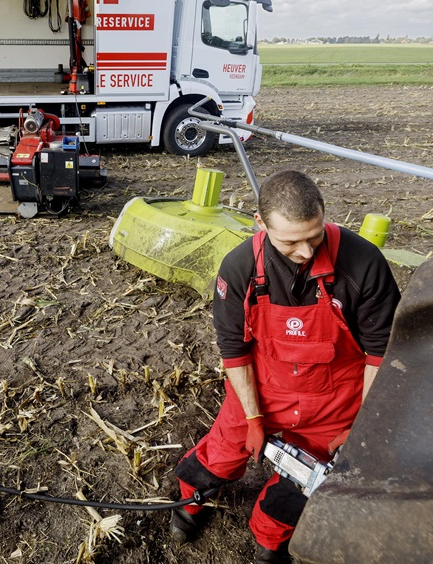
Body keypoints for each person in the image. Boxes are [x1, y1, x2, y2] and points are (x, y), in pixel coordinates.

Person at [170, 170, 401, 563]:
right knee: (220, 455)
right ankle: (188, 507)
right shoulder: (239, 268)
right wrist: (254, 417)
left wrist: (359, 426)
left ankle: (269, 542)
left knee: (302, 487)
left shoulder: (364, 264)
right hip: (262, 389)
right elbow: (234, 350)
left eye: (314, 236)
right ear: (260, 224)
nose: (307, 251)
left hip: (334, 403)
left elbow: (381, 351)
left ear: (324, 213)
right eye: (291, 241)